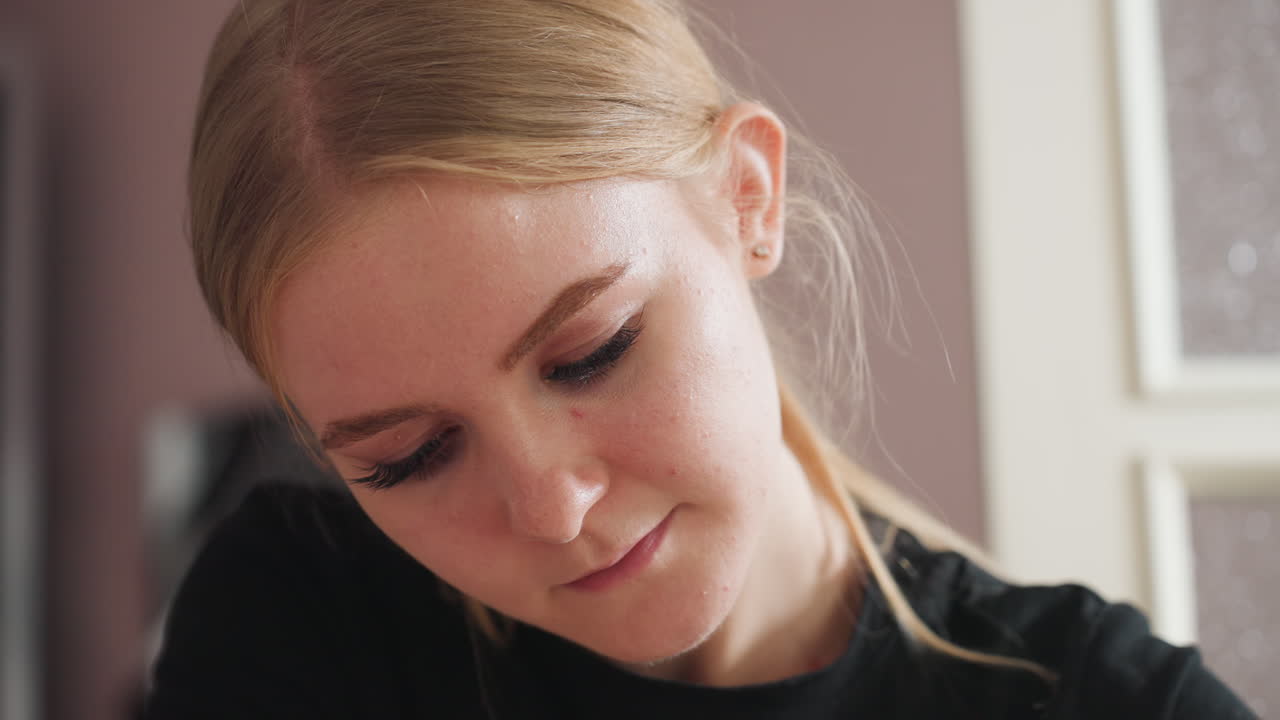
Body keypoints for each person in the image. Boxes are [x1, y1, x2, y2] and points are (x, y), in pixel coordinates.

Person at [145, 1, 1256, 718]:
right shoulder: (298, 621)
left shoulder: (1109, 705)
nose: (551, 507)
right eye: (411, 456)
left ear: (747, 200)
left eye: (592, 353)